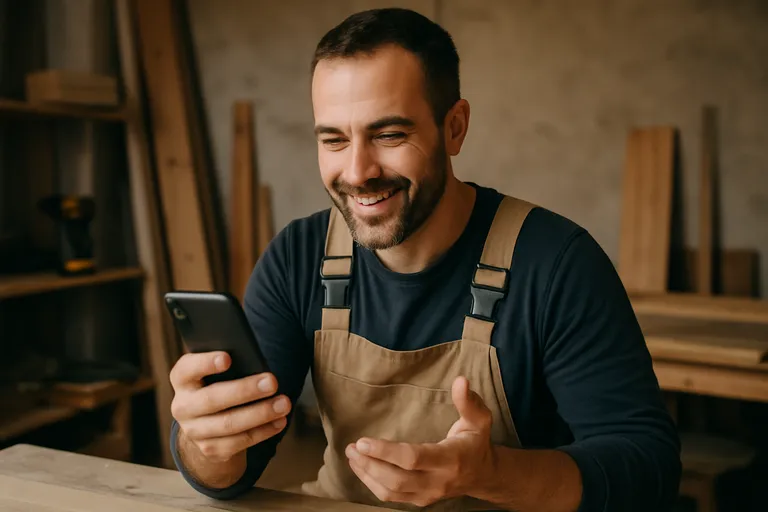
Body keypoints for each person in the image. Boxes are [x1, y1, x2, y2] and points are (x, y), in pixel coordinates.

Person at [168, 7, 681, 512]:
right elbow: (234, 471)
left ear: (454, 127)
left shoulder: (556, 264)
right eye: (334, 140)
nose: (358, 172)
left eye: (389, 135)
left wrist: (493, 475)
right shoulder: (299, 258)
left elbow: (648, 469)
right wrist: (206, 442)